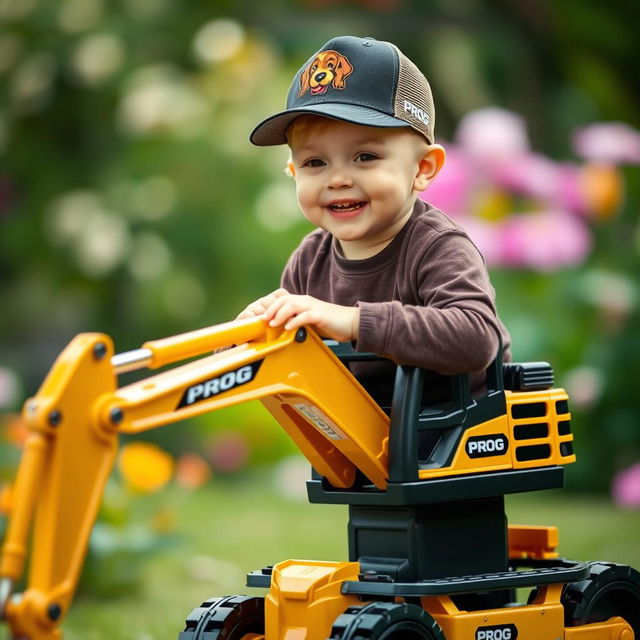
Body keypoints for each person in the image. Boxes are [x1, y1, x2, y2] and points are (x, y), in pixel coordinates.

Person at [242, 35, 511, 406]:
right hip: (367, 443)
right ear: (293, 171)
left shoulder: (437, 246)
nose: (336, 179)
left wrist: (354, 322)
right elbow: (293, 362)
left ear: (423, 168)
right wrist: (252, 339)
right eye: (314, 163)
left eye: (365, 156)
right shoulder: (308, 262)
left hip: (457, 437)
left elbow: (476, 337)